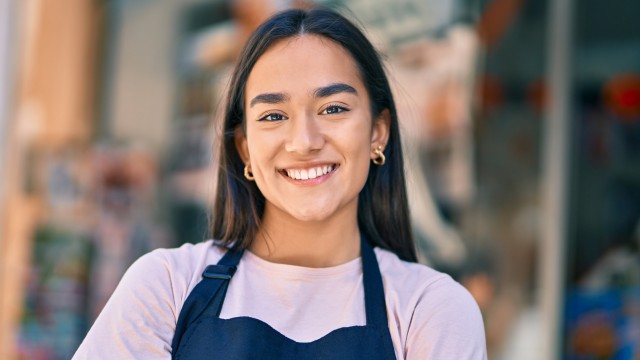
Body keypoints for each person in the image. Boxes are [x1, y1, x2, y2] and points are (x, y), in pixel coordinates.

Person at [73, 8, 487, 359]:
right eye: (273, 115)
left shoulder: (428, 310)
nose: (304, 141)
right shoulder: (166, 287)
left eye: (333, 108)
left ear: (377, 132)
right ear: (245, 150)